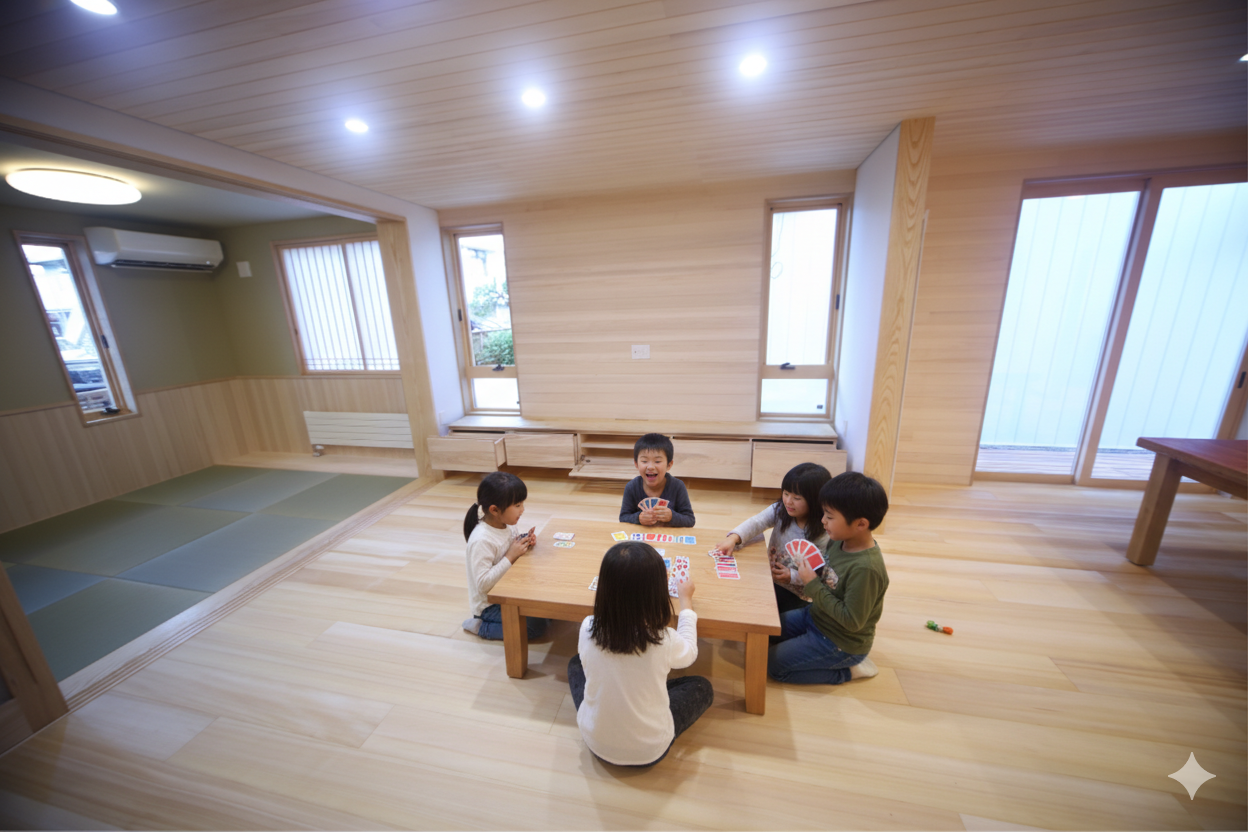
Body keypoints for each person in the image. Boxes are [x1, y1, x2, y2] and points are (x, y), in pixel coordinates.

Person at [567, 542, 713, 766]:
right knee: (702, 686)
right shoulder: (664, 639)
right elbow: (690, 652)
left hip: (595, 742)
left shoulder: (588, 627)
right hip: (650, 751)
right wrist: (686, 602)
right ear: (656, 593)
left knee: (575, 664)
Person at [767, 471, 889, 685]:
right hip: (815, 616)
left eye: (830, 517)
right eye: (824, 513)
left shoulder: (866, 569)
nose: (822, 521)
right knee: (765, 633)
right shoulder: (838, 540)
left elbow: (852, 621)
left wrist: (811, 584)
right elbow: (826, 573)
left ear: (861, 524)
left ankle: (848, 671)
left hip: (839, 641)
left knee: (772, 666)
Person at [714, 462, 831, 614]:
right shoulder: (781, 509)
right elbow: (758, 521)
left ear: (815, 500)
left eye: (796, 497)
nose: (788, 501)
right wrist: (734, 538)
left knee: (779, 622)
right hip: (769, 580)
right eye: (786, 493)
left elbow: (821, 573)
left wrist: (792, 576)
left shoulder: (825, 533)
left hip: (798, 594)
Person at [461, 471, 549, 640]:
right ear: (494, 510)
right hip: (489, 606)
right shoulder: (481, 540)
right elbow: (483, 584)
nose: (522, 510)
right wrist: (510, 555)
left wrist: (524, 541)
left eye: (522, 504)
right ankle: (482, 627)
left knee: (548, 607)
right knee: (535, 627)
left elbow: (507, 545)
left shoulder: (506, 524)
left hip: (508, 589)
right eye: (517, 505)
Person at [618, 433, 695, 527]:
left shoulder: (678, 486)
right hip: (642, 535)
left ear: (669, 465)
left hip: (667, 534)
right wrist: (639, 518)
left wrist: (672, 516)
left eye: (657, 461)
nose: (650, 467)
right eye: (644, 461)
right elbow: (623, 517)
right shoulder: (631, 487)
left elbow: (690, 520)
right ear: (636, 464)